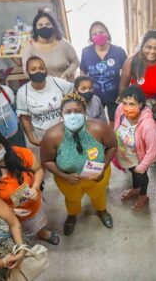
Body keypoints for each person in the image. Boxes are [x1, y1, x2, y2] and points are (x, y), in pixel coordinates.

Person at [41, 93, 117, 235]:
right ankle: (72, 215)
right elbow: (47, 160)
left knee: (99, 195)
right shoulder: (52, 135)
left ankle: (102, 211)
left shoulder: (99, 128)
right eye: (68, 112)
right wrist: (64, 176)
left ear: (85, 112)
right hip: (68, 180)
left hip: (97, 176)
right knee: (72, 199)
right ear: (61, 114)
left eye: (78, 111)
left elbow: (112, 146)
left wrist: (103, 167)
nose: (73, 115)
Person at [0, 128, 59, 245]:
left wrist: (35, 188)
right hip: (6, 214)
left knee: (37, 222)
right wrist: (9, 210)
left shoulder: (21, 154)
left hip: (32, 202)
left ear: (4, 144)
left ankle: (42, 233)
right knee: (16, 233)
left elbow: (38, 170)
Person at [17, 56, 73, 156]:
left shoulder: (56, 82)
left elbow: (75, 92)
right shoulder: (22, 92)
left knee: (67, 157)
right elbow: (24, 117)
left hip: (63, 129)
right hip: (41, 133)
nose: (38, 71)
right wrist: (31, 137)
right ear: (27, 72)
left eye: (41, 68)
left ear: (46, 70)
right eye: (33, 69)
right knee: (49, 159)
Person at [113, 85, 156, 210]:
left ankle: (143, 196)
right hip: (126, 155)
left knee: (141, 176)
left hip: (140, 158)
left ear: (140, 105)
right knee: (133, 172)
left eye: (132, 104)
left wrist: (142, 166)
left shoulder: (148, 125)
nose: (127, 107)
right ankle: (135, 188)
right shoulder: (120, 110)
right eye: (124, 103)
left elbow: (152, 151)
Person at [80, 21, 127, 126]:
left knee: (115, 122)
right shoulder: (86, 52)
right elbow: (83, 72)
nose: (98, 35)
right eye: (94, 34)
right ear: (91, 38)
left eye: (101, 32)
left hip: (115, 95)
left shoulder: (119, 52)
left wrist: (123, 92)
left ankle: (113, 140)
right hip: (93, 96)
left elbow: (127, 73)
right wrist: (83, 92)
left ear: (108, 33)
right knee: (96, 123)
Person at [120, 30, 156, 120]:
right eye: (148, 47)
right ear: (142, 46)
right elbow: (123, 88)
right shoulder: (131, 61)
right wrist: (129, 107)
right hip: (134, 106)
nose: (152, 51)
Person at [22, 10, 79, 81]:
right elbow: (26, 71)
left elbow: (75, 62)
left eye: (48, 24)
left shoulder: (63, 43)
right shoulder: (30, 47)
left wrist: (66, 74)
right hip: (42, 87)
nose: (44, 27)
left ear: (53, 26)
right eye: (40, 25)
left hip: (64, 84)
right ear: (35, 28)